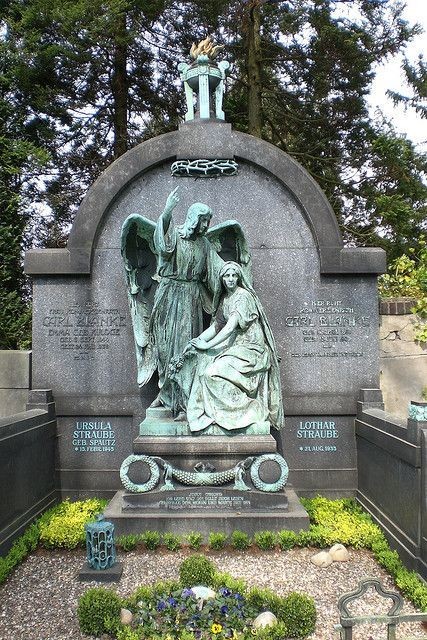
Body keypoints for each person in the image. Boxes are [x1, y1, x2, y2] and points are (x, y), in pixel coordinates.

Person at [150, 187, 223, 417]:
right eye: (202, 221)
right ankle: (165, 394)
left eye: (208, 222)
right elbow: (162, 246)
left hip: (191, 299)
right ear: (193, 219)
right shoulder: (176, 235)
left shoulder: (204, 245)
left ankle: (183, 402)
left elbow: (216, 269)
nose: (205, 227)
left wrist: (235, 277)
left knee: (184, 348)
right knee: (164, 349)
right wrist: (167, 213)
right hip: (169, 296)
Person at [186, 261, 283, 432]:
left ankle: (251, 410)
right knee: (202, 364)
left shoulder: (243, 296)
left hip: (250, 349)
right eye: (227, 276)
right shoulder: (225, 299)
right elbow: (216, 327)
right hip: (234, 346)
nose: (230, 279)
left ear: (239, 277)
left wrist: (207, 345)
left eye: (234, 275)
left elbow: (230, 327)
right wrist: (196, 342)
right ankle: (212, 413)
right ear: (222, 279)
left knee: (211, 373)